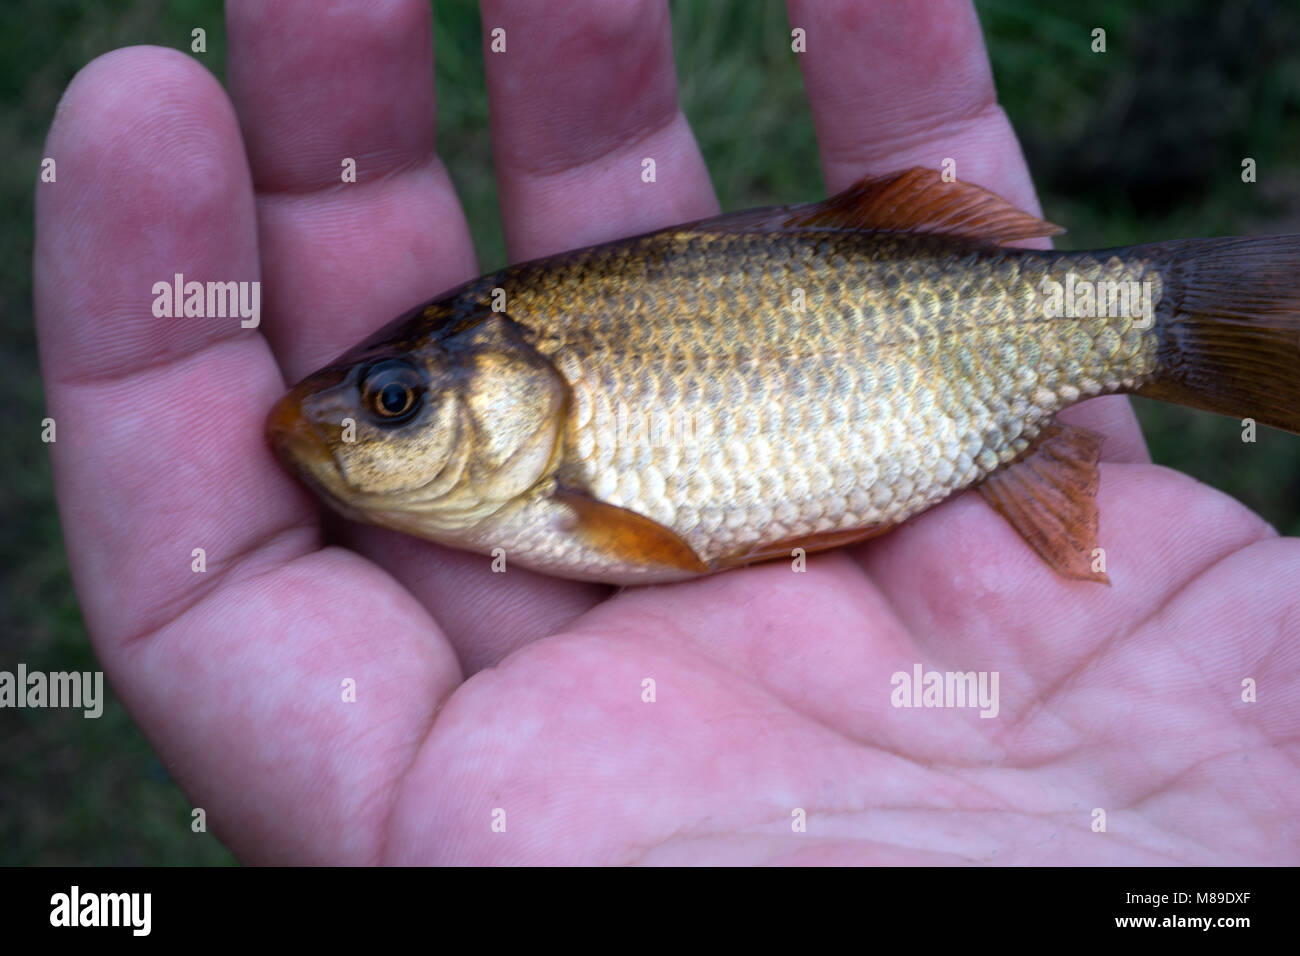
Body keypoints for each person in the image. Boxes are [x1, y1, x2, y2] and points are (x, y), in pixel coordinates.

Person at [34, 0, 1298, 864]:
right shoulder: (544, 494)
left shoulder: (568, 501)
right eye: (390, 403)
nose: (352, 426)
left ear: (511, 383)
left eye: (395, 399)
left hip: (972, 349)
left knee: (1158, 310)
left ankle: (1198, 312)